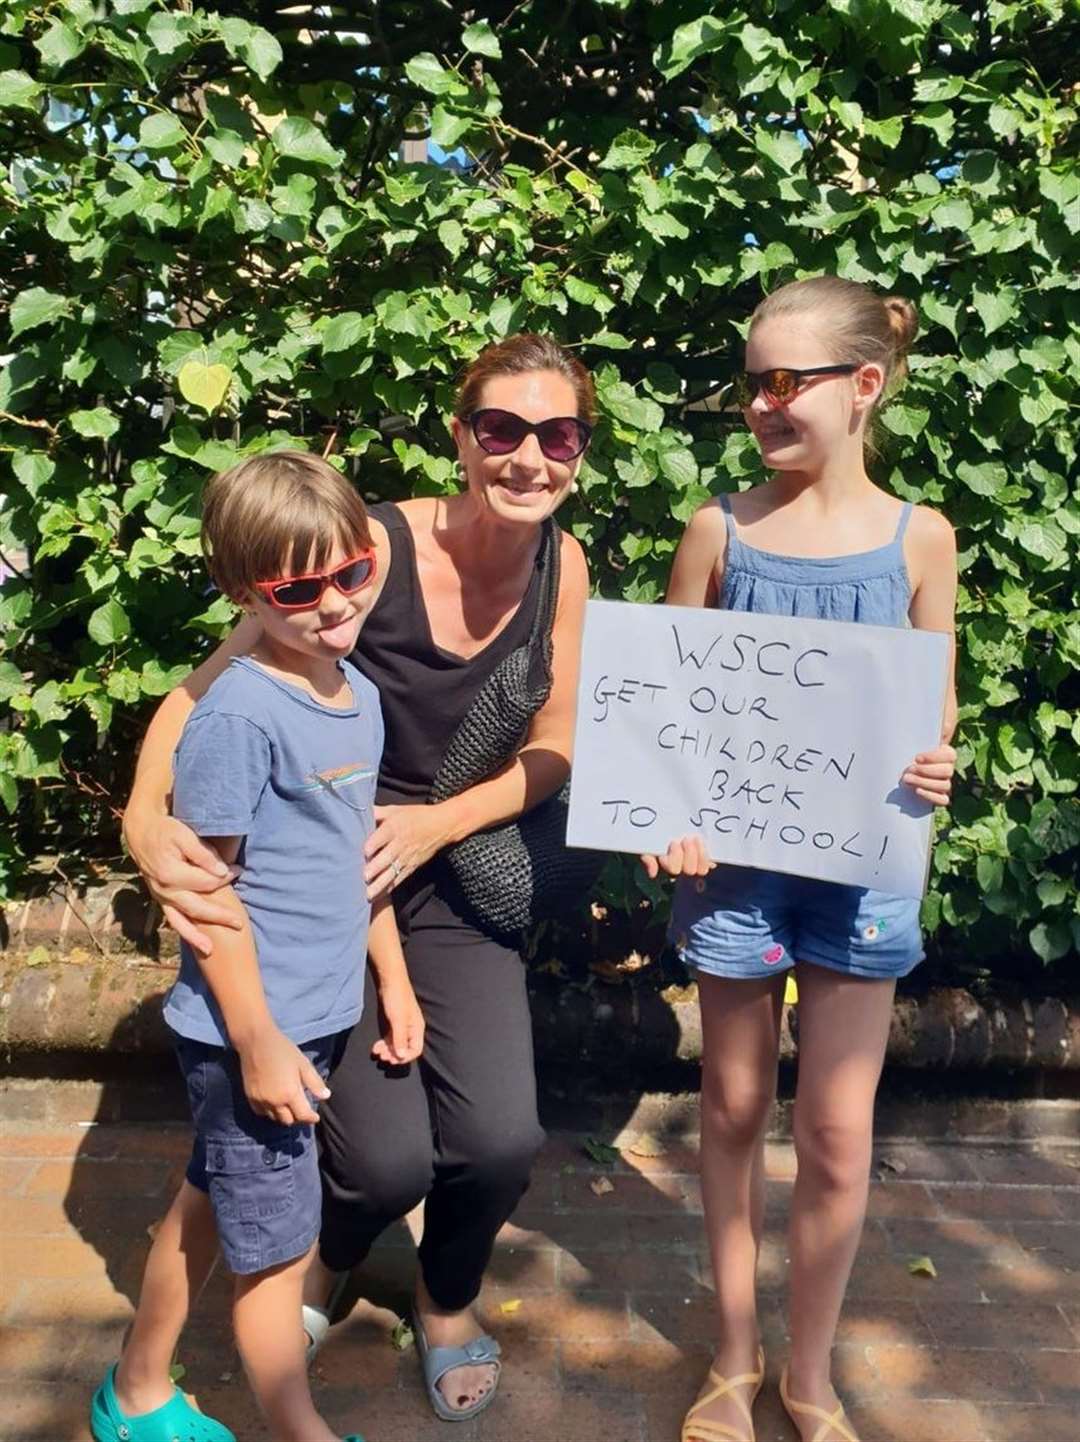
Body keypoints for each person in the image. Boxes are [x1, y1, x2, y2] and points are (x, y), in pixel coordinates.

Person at [121, 334, 592, 1421]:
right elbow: (203, 695)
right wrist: (149, 819)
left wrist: (437, 824)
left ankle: (446, 1294)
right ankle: (323, 1255)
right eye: (502, 429)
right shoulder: (357, 546)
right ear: (462, 434)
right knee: (380, 1163)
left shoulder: (563, 566)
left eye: (557, 433)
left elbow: (559, 742)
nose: (529, 456)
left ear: (580, 447)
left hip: (458, 867)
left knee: (497, 1137)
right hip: (329, 887)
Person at [647, 277, 958, 1442]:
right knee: (729, 1104)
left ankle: (811, 1371)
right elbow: (667, 711)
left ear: (863, 385)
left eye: (788, 381)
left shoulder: (920, 535)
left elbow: (938, 710)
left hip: (866, 864)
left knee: (835, 1127)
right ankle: (734, 1353)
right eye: (752, 383)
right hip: (735, 866)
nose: (763, 405)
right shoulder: (717, 529)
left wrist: (938, 767)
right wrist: (666, 813)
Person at [92, 453, 423, 1442]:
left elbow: (353, 859)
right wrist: (257, 1039)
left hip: (307, 1021)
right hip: (256, 1035)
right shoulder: (237, 717)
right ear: (245, 594)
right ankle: (298, 1428)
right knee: (277, 1250)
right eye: (297, 588)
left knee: (207, 1199)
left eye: (351, 570)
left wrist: (392, 979)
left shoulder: (354, 692)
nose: (333, 602)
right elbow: (210, 901)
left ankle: (136, 1390)